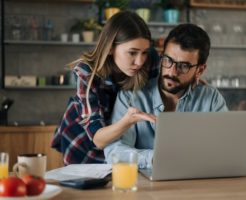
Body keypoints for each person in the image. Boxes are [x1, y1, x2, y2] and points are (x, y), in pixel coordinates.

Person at [104, 24, 228, 169]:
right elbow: (115, 152)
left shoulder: (211, 99)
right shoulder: (131, 96)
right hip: (146, 187)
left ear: (199, 70)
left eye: (183, 66)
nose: (172, 72)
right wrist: (155, 158)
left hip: (198, 184)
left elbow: (225, 148)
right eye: (167, 60)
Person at [51, 11, 159, 165]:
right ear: (110, 48)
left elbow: (169, 79)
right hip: (86, 141)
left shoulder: (151, 59)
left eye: (144, 53)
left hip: (123, 142)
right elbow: (98, 140)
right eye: (132, 53)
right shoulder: (87, 71)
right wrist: (127, 121)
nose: (140, 61)